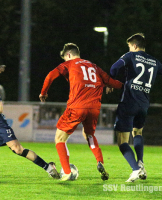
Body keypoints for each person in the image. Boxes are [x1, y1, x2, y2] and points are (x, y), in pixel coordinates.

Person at [109, 33, 162, 182]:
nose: (129, 48)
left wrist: (111, 82)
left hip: (129, 102)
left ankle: (135, 169)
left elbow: (114, 67)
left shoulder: (130, 56)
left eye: (129, 46)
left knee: (122, 141)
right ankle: (140, 163)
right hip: (144, 104)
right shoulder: (155, 61)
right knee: (138, 132)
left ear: (134, 46)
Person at [39, 43, 123, 181]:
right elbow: (111, 81)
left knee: (59, 139)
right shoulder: (93, 66)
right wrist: (125, 86)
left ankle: (66, 172)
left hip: (77, 106)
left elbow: (50, 76)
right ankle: (99, 161)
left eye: (65, 59)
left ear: (69, 55)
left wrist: (43, 92)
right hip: (94, 108)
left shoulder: (70, 63)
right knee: (89, 134)